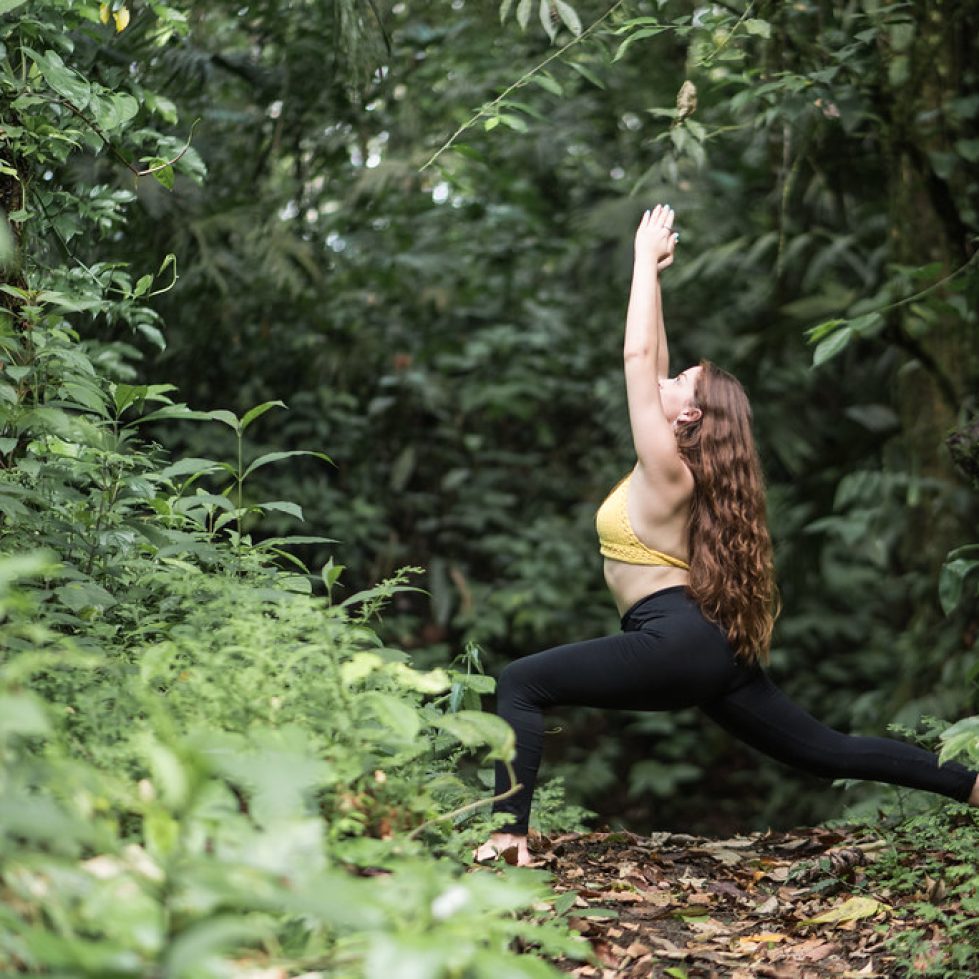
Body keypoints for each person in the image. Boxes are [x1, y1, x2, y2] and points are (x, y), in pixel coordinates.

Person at [472, 204, 979, 866]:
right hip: (700, 645)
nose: (664, 374)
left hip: (675, 641)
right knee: (825, 749)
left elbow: (633, 355)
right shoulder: (672, 463)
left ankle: (508, 834)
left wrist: (636, 258)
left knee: (519, 681)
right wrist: (653, 275)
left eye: (679, 381)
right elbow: (648, 353)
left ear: (686, 415)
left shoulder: (666, 470)